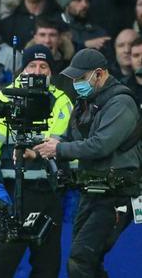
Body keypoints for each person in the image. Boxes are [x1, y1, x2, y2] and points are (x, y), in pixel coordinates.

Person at [34, 48, 141, 278]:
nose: (76, 85)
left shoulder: (121, 102)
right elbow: (75, 138)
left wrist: (59, 148)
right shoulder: (85, 102)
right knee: (87, 262)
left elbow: (99, 145)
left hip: (117, 194)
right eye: (74, 80)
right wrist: (48, 144)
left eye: (81, 79)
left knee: (81, 260)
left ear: (100, 74)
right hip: (91, 192)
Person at [0, 45, 73, 278]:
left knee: (48, 268)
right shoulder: (1, 99)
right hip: (10, 193)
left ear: (50, 72)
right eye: (32, 66)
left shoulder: (62, 101)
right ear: (22, 70)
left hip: (48, 194)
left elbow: (61, 141)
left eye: (43, 66)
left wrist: (36, 152)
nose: (37, 71)